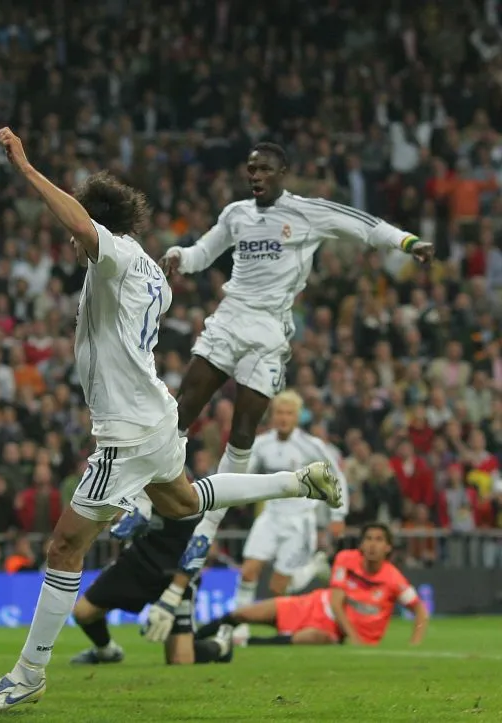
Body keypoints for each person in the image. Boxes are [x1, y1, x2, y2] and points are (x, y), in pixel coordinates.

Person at [0, 129, 342, 713]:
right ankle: (298, 482)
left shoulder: (115, 256)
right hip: (156, 417)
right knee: (182, 503)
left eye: (80, 229)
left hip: (125, 433)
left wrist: (26, 167)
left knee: (65, 545)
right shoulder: (148, 273)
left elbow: (84, 228)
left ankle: (28, 673)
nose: (73, 240)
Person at [158, 143, 432, 571]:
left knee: (243, 432)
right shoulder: (236, 214)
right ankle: (140, 500)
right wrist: (179, 256)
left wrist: (406, 241)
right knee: (180, 413)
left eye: (265, 168)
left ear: (283, 171)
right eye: (251, 169)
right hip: (230, 320)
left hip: (269, 331)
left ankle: (207, 529)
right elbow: (202, 253)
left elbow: (363, 226)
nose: (256, 175)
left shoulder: (308, 212)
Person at [227, 389, 347, 643]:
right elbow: (244, 472)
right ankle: (238, 629)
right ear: (272, 416)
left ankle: (285, 627)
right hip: (270, 516)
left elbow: (336, 475)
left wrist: (339, 514)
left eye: (289, 413)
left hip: (299, 521)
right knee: (249, 571)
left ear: (297, 417)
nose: (283, 418)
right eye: (279, 412)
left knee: (278, 586)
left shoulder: (311, 445)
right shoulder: (262, 444)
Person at [195, 523, 429, 647]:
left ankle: (243, 644)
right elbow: (337, 603)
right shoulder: (347, 558)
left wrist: (415, 643)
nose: (372, 545)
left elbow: (419, 609)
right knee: (243, 613)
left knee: (311, 638)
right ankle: (194, 637)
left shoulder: (394, 579)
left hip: (332, 630)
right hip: (313, 605)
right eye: (368, 539)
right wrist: (355, 637)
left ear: (388, 547)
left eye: (379, 540)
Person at [69, 495, 235, 668]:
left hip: (175, 575)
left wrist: (174, 594)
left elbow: (196, 548)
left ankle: (221, 645)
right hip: (135, 563)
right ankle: (107, 651)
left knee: (181, 660)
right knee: (83, 613)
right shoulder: (139, 479)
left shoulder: (186, 495)